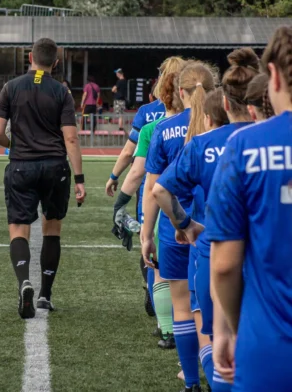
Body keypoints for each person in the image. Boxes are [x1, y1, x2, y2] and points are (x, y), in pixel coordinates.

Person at [152, 47, 259, 392]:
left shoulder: (200, 143)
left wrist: (185, 225)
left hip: (212, 247)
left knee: (213, 336)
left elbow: (157, 189)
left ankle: (194, 381)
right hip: (265, 251)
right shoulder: (270, 139)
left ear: (224, 103)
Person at [205, 26, 291, 392]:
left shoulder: (245, 146)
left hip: (269, 347)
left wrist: (228, 329)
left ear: (272, 76)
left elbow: (224, 265)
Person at [0, 38, 86, 318]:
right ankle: (45, 295)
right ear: (55, 63)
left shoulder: (10, 87)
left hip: (21, 166)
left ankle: (24, 282)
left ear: (30, 58)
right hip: (55, 167)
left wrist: (13, 145)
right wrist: (79, 178)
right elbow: (71, 138)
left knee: (18, 229)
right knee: (52, 229)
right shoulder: (61, 91)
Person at [142, 61, 216, 392]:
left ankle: (191, 379)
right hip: (216, 227)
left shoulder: (164, 129)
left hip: (177, 228)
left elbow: (153, 187)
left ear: (180, 92)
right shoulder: (226, 129)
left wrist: (146, 233)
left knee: (183, 307)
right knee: (216, 309)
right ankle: (216, 372)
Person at [113, 58, 185, 349]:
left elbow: (141, 173)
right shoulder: (205, 124)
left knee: (160, 270)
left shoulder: (152, 127)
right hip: (201, 209)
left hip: (165, 209)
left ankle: (168, 330)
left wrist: (120, 202)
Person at [106, 59, 179, 197]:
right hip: (183, 186)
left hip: (150, 184)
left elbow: (128, 152)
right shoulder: (195, 114)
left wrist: (113, 176)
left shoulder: (146, 112)